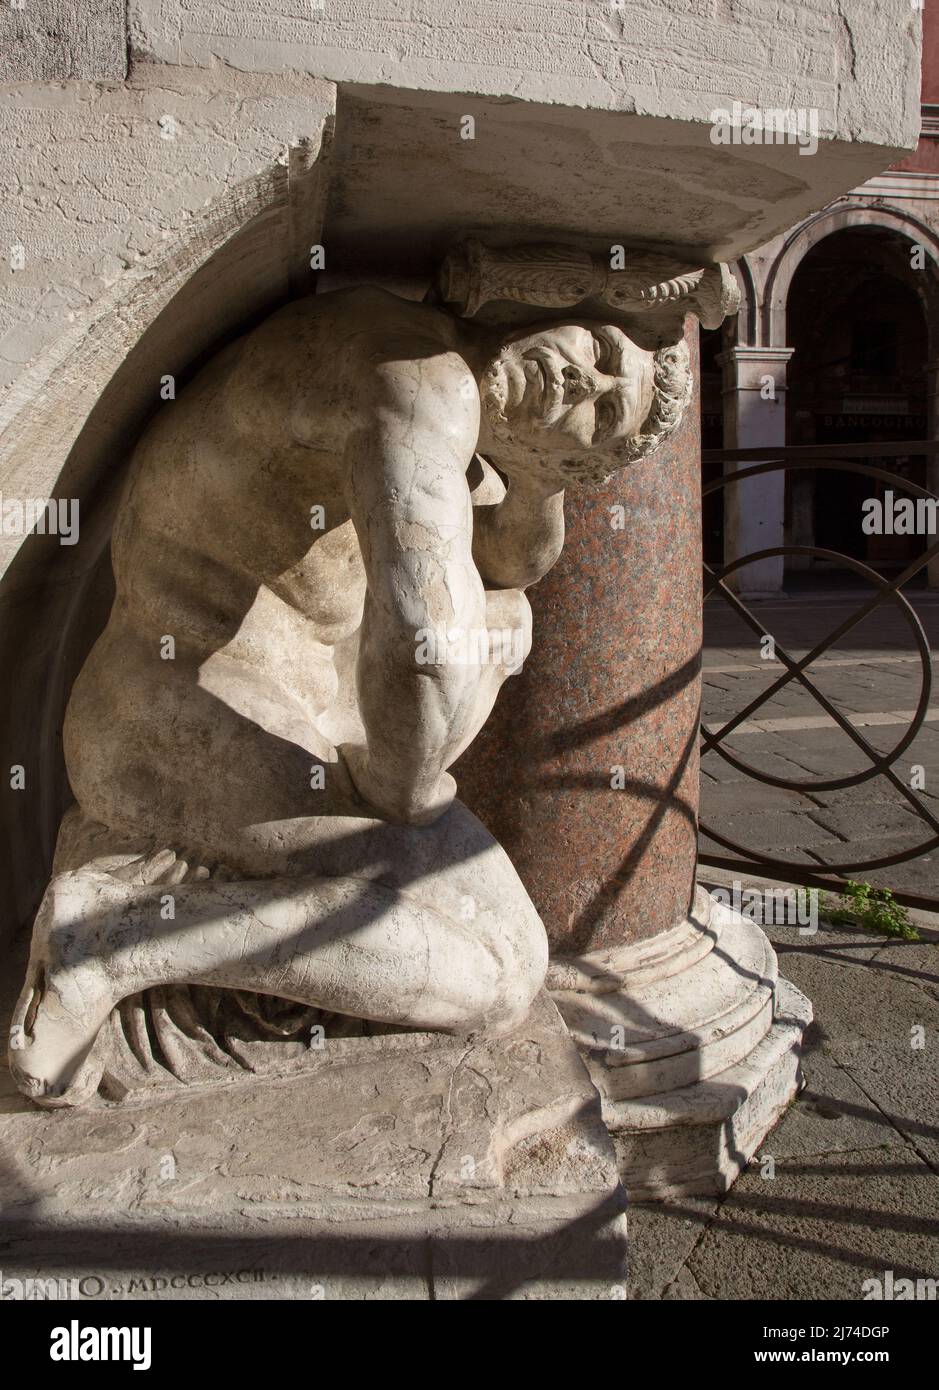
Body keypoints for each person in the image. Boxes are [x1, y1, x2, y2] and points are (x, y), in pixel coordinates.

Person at [9, 280, 692, 1105]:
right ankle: (113, 944)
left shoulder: (420, 359)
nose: (587, 382)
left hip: (261, 718)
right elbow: (425, 649)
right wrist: (405, 791)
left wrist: (538, 475)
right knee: (492, 975)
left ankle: (124, 938)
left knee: (506, 627)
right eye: (602, 353)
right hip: (172, 718)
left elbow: (514, 563)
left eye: (602, 412)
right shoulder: (419, 384)